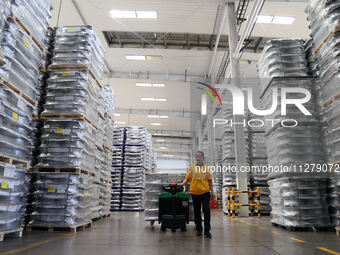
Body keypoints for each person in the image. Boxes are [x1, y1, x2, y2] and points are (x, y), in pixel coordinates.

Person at [179, 151, 214, 238]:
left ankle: (207, 231)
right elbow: (187, 179)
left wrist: (212, 191)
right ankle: (199, 229)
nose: (199, 158)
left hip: (205, 192)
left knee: (206, 211)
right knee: (197, 212)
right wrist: (180, 184)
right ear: (195, 158)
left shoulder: (206, 168)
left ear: (203, 158)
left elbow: (210, 180)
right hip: (195, 193)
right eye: (197, 156)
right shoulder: (192, 168)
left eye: (200, 156)